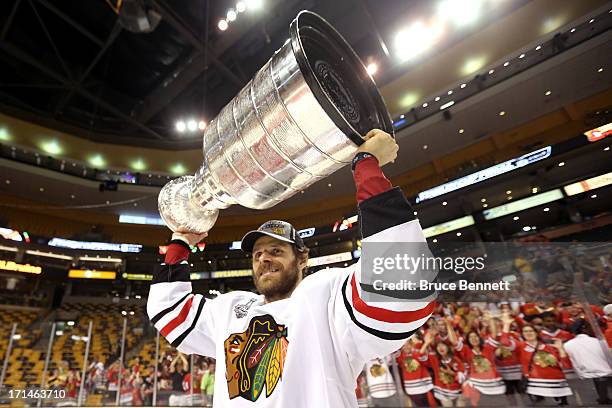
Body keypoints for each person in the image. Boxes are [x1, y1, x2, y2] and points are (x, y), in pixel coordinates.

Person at [147, 130, 436, 406]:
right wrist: (181, 242)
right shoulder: (230, 310)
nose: (264, 259)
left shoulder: (326, 297)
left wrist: (365, 166)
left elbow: (402, 286)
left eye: (276, 251)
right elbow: (169, 311)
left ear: (301, 259)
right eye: (257, 254)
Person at [563, 319, 612, 405]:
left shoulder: (567, 344)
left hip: (582, 376)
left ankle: (603, 398)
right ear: (584, 329)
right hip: (604, 375)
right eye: (590, 326)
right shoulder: (599, 342)